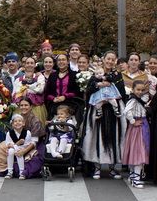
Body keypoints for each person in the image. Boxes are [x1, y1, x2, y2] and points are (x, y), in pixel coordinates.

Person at [82, 51, 126, 180]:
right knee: (97, 137)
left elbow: (122, 93)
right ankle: (97, 167)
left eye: (113, 59)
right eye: (108, 59)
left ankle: (112, 167)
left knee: (114, 136)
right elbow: (88, 91)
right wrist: (98, 85)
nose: (110, 61)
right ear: (104, 59)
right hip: (98, 110)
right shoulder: (95, 74)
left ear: (115, 61)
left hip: (113, 111)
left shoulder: (117, 75)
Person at [122, 79, 150, 189]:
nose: (140, 92)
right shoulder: (133, 100)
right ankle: (136, 178)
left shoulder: (140, 99)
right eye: (138, 89)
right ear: (133, 89)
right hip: (137, 128)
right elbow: (126, 111)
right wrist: (133, 121)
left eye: (142, 90)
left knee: (136, 151)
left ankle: (133, 175)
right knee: (139, 152)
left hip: (141, 126)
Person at [1, 114, 37, 179]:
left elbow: (26, 144)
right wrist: (16, 144)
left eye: (19, 121)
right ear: (12, 124)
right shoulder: (9, 133)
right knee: (10, 151)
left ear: (23, 123)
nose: (17, 122)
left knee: (18, 151)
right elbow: (8, 144)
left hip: (24, 149)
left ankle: (22, 172)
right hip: (13, 148)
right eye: (15, 121)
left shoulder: (27, 132)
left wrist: (15, 146)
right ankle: (10, 172)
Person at [43, 54, 78, 120]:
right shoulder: (52, 76)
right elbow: (47, 93)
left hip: (70, 105)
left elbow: (76, 91)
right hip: (54, 106)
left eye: (63, 60)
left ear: (68, 61)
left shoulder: (74, 75)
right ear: (56, 62)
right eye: (59, 60)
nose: (61, 62)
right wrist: (53, 98)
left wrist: (65, 96)